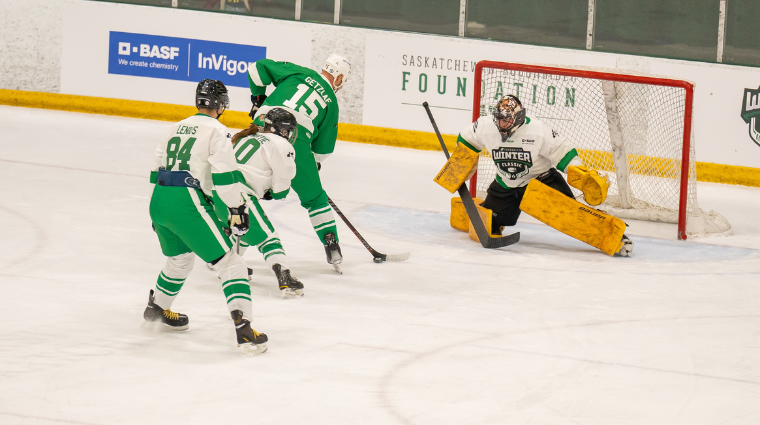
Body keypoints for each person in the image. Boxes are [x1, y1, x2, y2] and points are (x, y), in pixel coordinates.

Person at [143, 79, 268, 355]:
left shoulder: (174, 127)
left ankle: (157, 308)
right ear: (221, 104)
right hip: (187, 202)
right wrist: (236, 209)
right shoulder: (218, 131)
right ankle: (244, 330)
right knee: (232, 264)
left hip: (159, 200)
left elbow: (156, 171)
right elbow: (224, 178)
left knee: (180, 259)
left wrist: (160, 211)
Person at [445, 94, 632, 256]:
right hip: (505, 186)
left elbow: (562, 151)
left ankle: (615, 237)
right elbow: (467, 138)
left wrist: (579, 173)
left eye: (507, 120)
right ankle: (466, 212)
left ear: (518, 117)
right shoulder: (486, 126)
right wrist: (461, 161)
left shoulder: (538, 130)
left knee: (572, 215)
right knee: (488, 223)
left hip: (542, 181)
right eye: (500, 119)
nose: (502, 124)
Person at [246, 54, 352, 273]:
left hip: (261, 128)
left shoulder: (300, 72)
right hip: (295, 139)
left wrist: (258, 101)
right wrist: (312, 165)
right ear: (339, 76)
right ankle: (331, 245)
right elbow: (323, 150)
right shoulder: (331, 103)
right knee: (315, 198)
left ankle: (227, 250)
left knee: (244, 190)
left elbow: (255, 69)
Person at [219, 108, 305, 299]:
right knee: (268, 237)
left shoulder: (246, 137)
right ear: (283, 130)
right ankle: (285, 278)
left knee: (243, 228)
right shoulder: (282, 145)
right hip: (239, 194)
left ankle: (227, 265)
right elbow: (281, 189)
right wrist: (271, 192)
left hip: (217, 191)